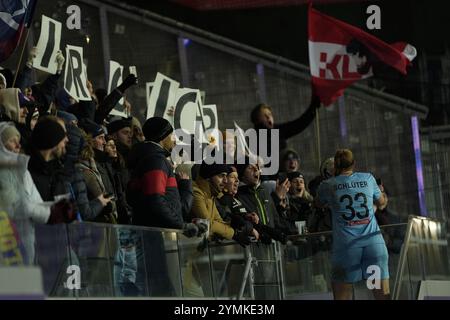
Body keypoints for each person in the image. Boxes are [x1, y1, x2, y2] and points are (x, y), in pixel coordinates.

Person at [315, 149, 389, 300]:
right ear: (354, 164)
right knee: (380, 296)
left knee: (343, 297)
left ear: (335, 165)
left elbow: (318, 204)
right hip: (373, 245)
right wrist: (383, 195)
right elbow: (381, 204)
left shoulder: (328, 184)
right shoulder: (368, 178)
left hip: (346, 248)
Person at [0, 122, 75, 265]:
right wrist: (52, 213)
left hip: (33, 250)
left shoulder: (23, 170)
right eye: (12, 141)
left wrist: (62, 210)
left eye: (18, 141)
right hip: (9, 251)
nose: (18, 146)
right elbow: (16, 206)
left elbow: (35, 202)